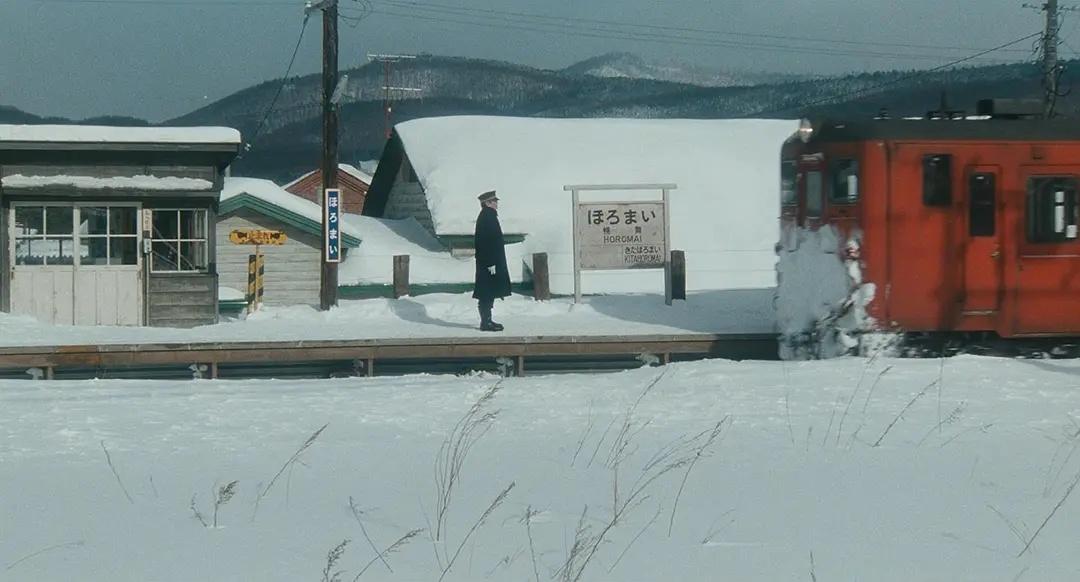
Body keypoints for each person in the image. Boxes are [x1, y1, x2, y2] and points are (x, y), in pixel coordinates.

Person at [473, 190, 511, 331]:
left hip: (490, 261)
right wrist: (490, 263)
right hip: (488, 263)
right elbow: (485, 242)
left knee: (489, 291)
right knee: (486, 292)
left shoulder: (489, 216)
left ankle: (488, 319)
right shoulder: (487, 217)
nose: (496, 203)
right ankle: (485, 322)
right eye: (493, 201)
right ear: (487, 203)